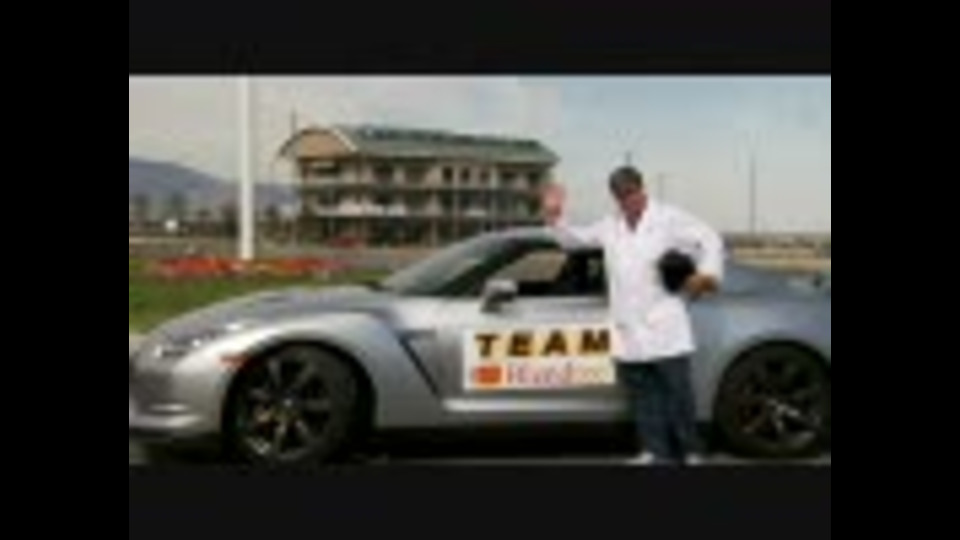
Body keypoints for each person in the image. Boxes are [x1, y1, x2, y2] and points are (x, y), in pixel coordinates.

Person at [541, 165, 725, 465]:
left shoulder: (668, 218)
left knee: (678, 395)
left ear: (641, 189)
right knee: (643, 395)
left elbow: (709, 238)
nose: (627, 200)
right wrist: (554, 216)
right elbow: (573, 240)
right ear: (614, 196)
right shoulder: (609, 225)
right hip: (629, 327)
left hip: (665, 324)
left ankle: (691, 451)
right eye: (621, 195)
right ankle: (654, 451)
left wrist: (706, 276)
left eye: (631, 192)